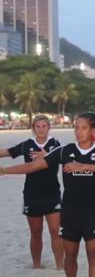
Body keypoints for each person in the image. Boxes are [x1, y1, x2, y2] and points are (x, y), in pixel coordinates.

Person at [1, 112, 95, 277]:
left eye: (84, 128)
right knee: (70, 257)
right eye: (76, 128)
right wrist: (4, 170)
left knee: (93, 256)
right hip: (70, 211)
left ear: (93, 130)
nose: (79, 132)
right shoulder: (64, 151)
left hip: (92, 210)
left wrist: (84, 166)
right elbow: (33, 167)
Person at [0, 115, 64, 269]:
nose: (41, 129)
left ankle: (60, 266)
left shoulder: (56, 145)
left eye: (44, 126)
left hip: (52, 193)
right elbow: (7, 152)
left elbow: (64, 159)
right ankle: (36, 265)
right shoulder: (26, 145)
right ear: (33, 128)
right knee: (36, 233)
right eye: (38, 126)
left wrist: (46, 156)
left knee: (55, 231)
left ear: (49, 127)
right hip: (31, 194)